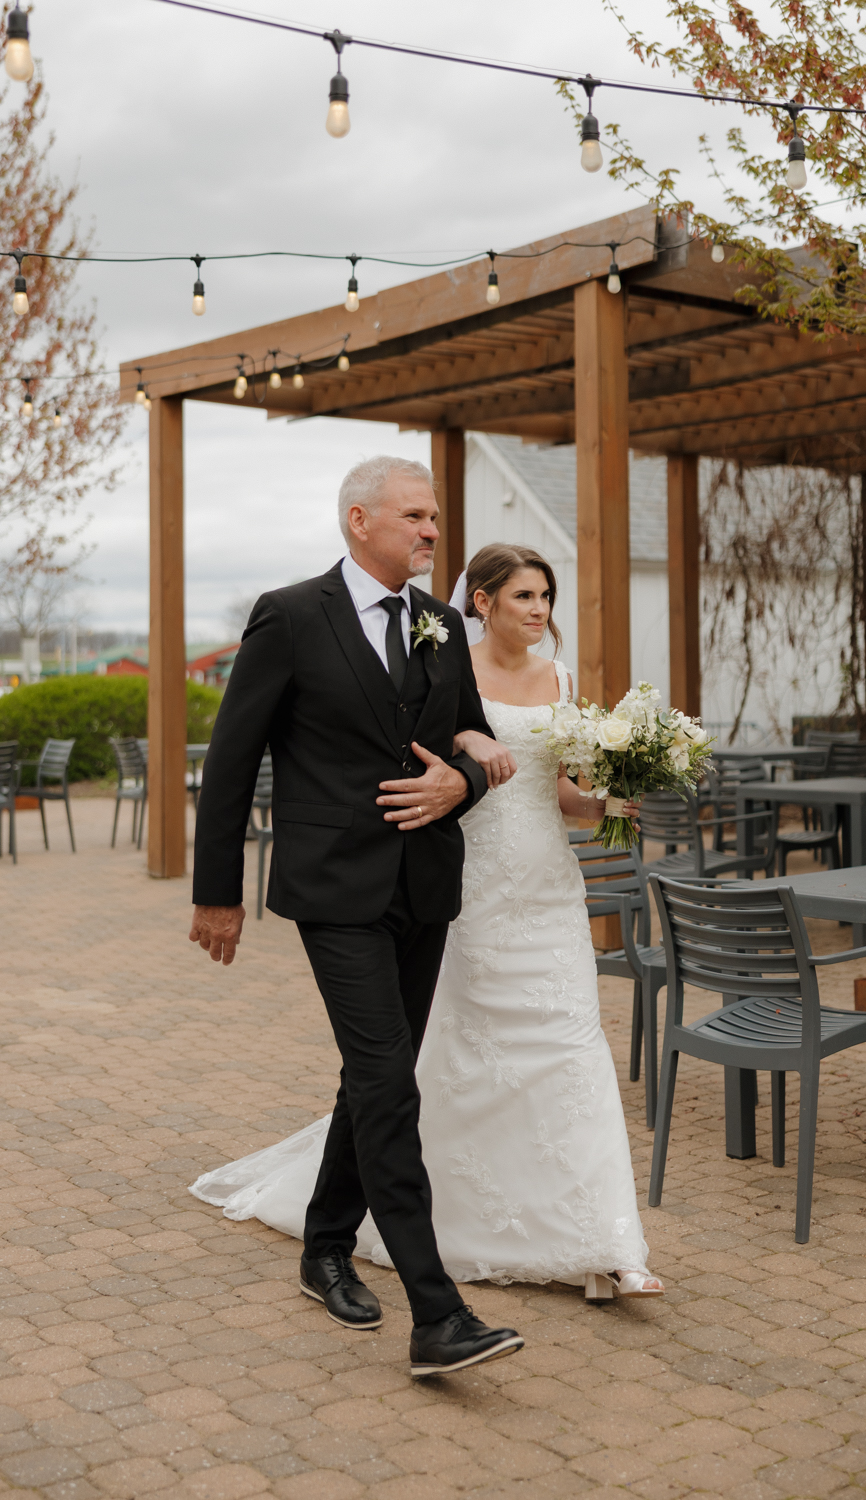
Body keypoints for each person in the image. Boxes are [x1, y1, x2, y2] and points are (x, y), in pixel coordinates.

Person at [192, 541, 662, 1303]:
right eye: (525, 596)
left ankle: (603, 1237)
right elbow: (280, 752)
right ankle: (419, 1256)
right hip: (458, 880)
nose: (541, 610)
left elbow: (559, 789)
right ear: (483, 602)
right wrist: (216, 887)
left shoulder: (537, 670)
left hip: (545, 884)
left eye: (547, 597)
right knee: (422, 1066)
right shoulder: (415, 645)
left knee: (573, 1048)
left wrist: (613, 794)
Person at [188, 456, 525, 1378]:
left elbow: (459, 734)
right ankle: (437, 1312)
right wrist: (214, 889)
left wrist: (465, 772)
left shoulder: (442, 622)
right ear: (357, 521)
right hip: (333, 888)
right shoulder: (291, 615)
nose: (430, 531)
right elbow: (232, 758)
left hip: (424, 884)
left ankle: (324, 1243)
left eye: (434, 518)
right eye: (414, 517)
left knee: (376, 1075)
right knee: (389, 1083)